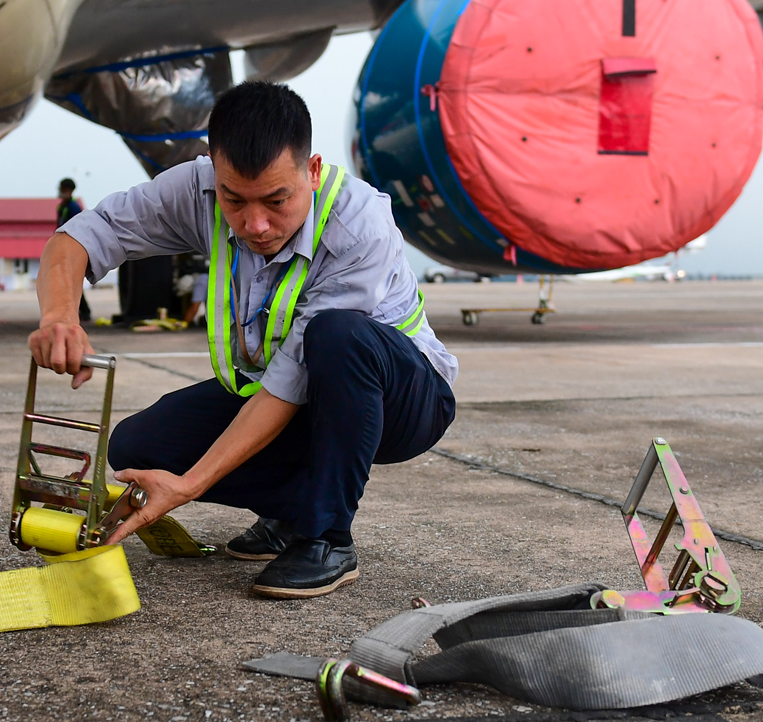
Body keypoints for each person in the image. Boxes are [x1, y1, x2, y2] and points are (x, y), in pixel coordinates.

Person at [29, 80, 458, 599]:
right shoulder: (197, 188)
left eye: (277, 200)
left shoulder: (358, 222)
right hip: (291, 393)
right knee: (138, 449)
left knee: (337, 335)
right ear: (215, 172)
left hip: (402, 402)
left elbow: (291, 381)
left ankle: (326, 536)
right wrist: (60, 316)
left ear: (312, 170)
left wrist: (190, 486)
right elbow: (81, 235)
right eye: (235, 200)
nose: (256, 224)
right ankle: (293, 510)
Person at [55, 178, 93, 324]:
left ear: (69, 190)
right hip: (63, 247)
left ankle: (83, 311)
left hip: (72, 248)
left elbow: (77, 228)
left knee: (71, 281)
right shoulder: (61, 207)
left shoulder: (74, 207)